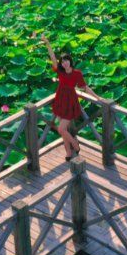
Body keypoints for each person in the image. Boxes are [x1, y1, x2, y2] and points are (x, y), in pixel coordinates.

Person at [41, 33, 102, 161]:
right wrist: (47, 43)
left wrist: (98, 98)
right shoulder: (60, 71)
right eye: (62, 62)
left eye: (66, 61)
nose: (64, 63)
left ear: (70, 61)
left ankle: (75, 144)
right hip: (60, 100)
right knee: (63, 130)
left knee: (61, 129)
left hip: (70, 102)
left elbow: (85, 88)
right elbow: (52, 57)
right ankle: (68, 152)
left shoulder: (77, 74)